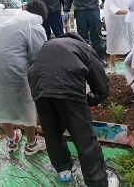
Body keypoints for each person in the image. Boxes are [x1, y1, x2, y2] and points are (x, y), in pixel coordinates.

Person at [28, 32, 119, 187]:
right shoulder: (85, 48)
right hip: (67, 87)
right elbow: (102, 88)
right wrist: (88, 100)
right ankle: (98, 182)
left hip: (38, 87)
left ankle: (63, 170)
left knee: (52, 132)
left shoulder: (49, 44)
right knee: (85, 139)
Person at [0, 0, 48, 156]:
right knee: (26, 103)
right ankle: (32, 144)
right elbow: (38, 57)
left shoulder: (10, 22)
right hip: (13, 71)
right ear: (41, 16)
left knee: (2, 104)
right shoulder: (34, 26)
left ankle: (12, 139)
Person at [103, 0, 134, 74]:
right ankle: (112, 65)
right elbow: (113, 10)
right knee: (113, 43)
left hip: (128, 22)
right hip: (115, 24)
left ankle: (133, 64)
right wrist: (128, 12)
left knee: (130, 40)